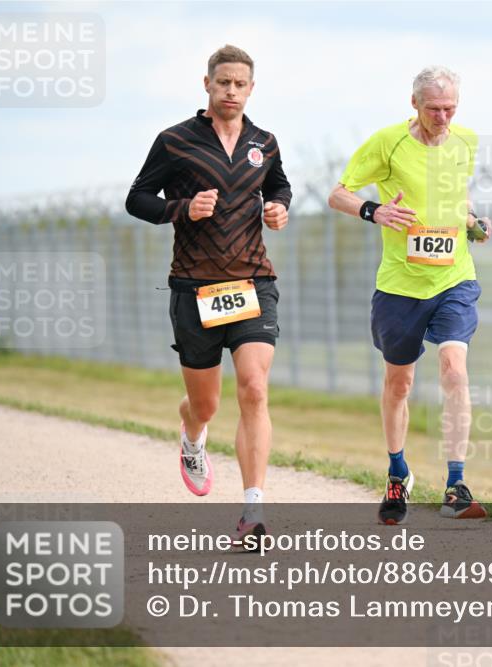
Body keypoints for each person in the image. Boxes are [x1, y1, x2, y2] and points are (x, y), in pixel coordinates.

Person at [125, 45, 291, 543]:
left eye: (241, 84)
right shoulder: (175, 141)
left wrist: (279, 208)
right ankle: (192, 434)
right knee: (206, 405)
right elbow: (137, 199)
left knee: (255, 388)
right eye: (224, 83)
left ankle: (254, 509)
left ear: (251, 88)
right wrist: (182, 209)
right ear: (207, 84)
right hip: (195, 288)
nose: (232, 92)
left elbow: (279, 186)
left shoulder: (265, 141)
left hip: (253, 283)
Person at [328, 65, 492, 525]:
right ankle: (398, 471)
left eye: (451, 108)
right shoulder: (387, 143)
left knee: (454, 370)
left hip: (454, 278)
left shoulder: (466, 141)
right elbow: (337, 194)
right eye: (434, 109)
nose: (443, 118)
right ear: (414, 104)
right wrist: (374, 210)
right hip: (400, 286)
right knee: (399, 383)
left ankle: (456, 485)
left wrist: (474, 222)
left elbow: (458, 197)